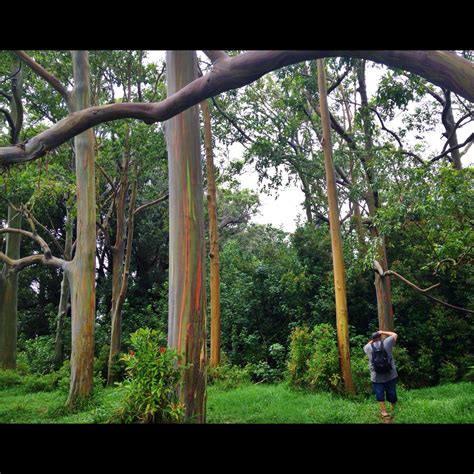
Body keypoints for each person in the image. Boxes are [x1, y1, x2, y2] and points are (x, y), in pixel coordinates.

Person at [363, 330, 398, 420]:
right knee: (392, 392)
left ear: (372, 339)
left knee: (379, 393)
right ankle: (393, 409)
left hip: (376, 376)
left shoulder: (367, 347)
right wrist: (382, 331)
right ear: (380, 337)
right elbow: (394, 334)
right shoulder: (387, 343)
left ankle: (383, 412)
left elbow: (366, 345)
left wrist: (372, 340)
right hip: (390, 374)